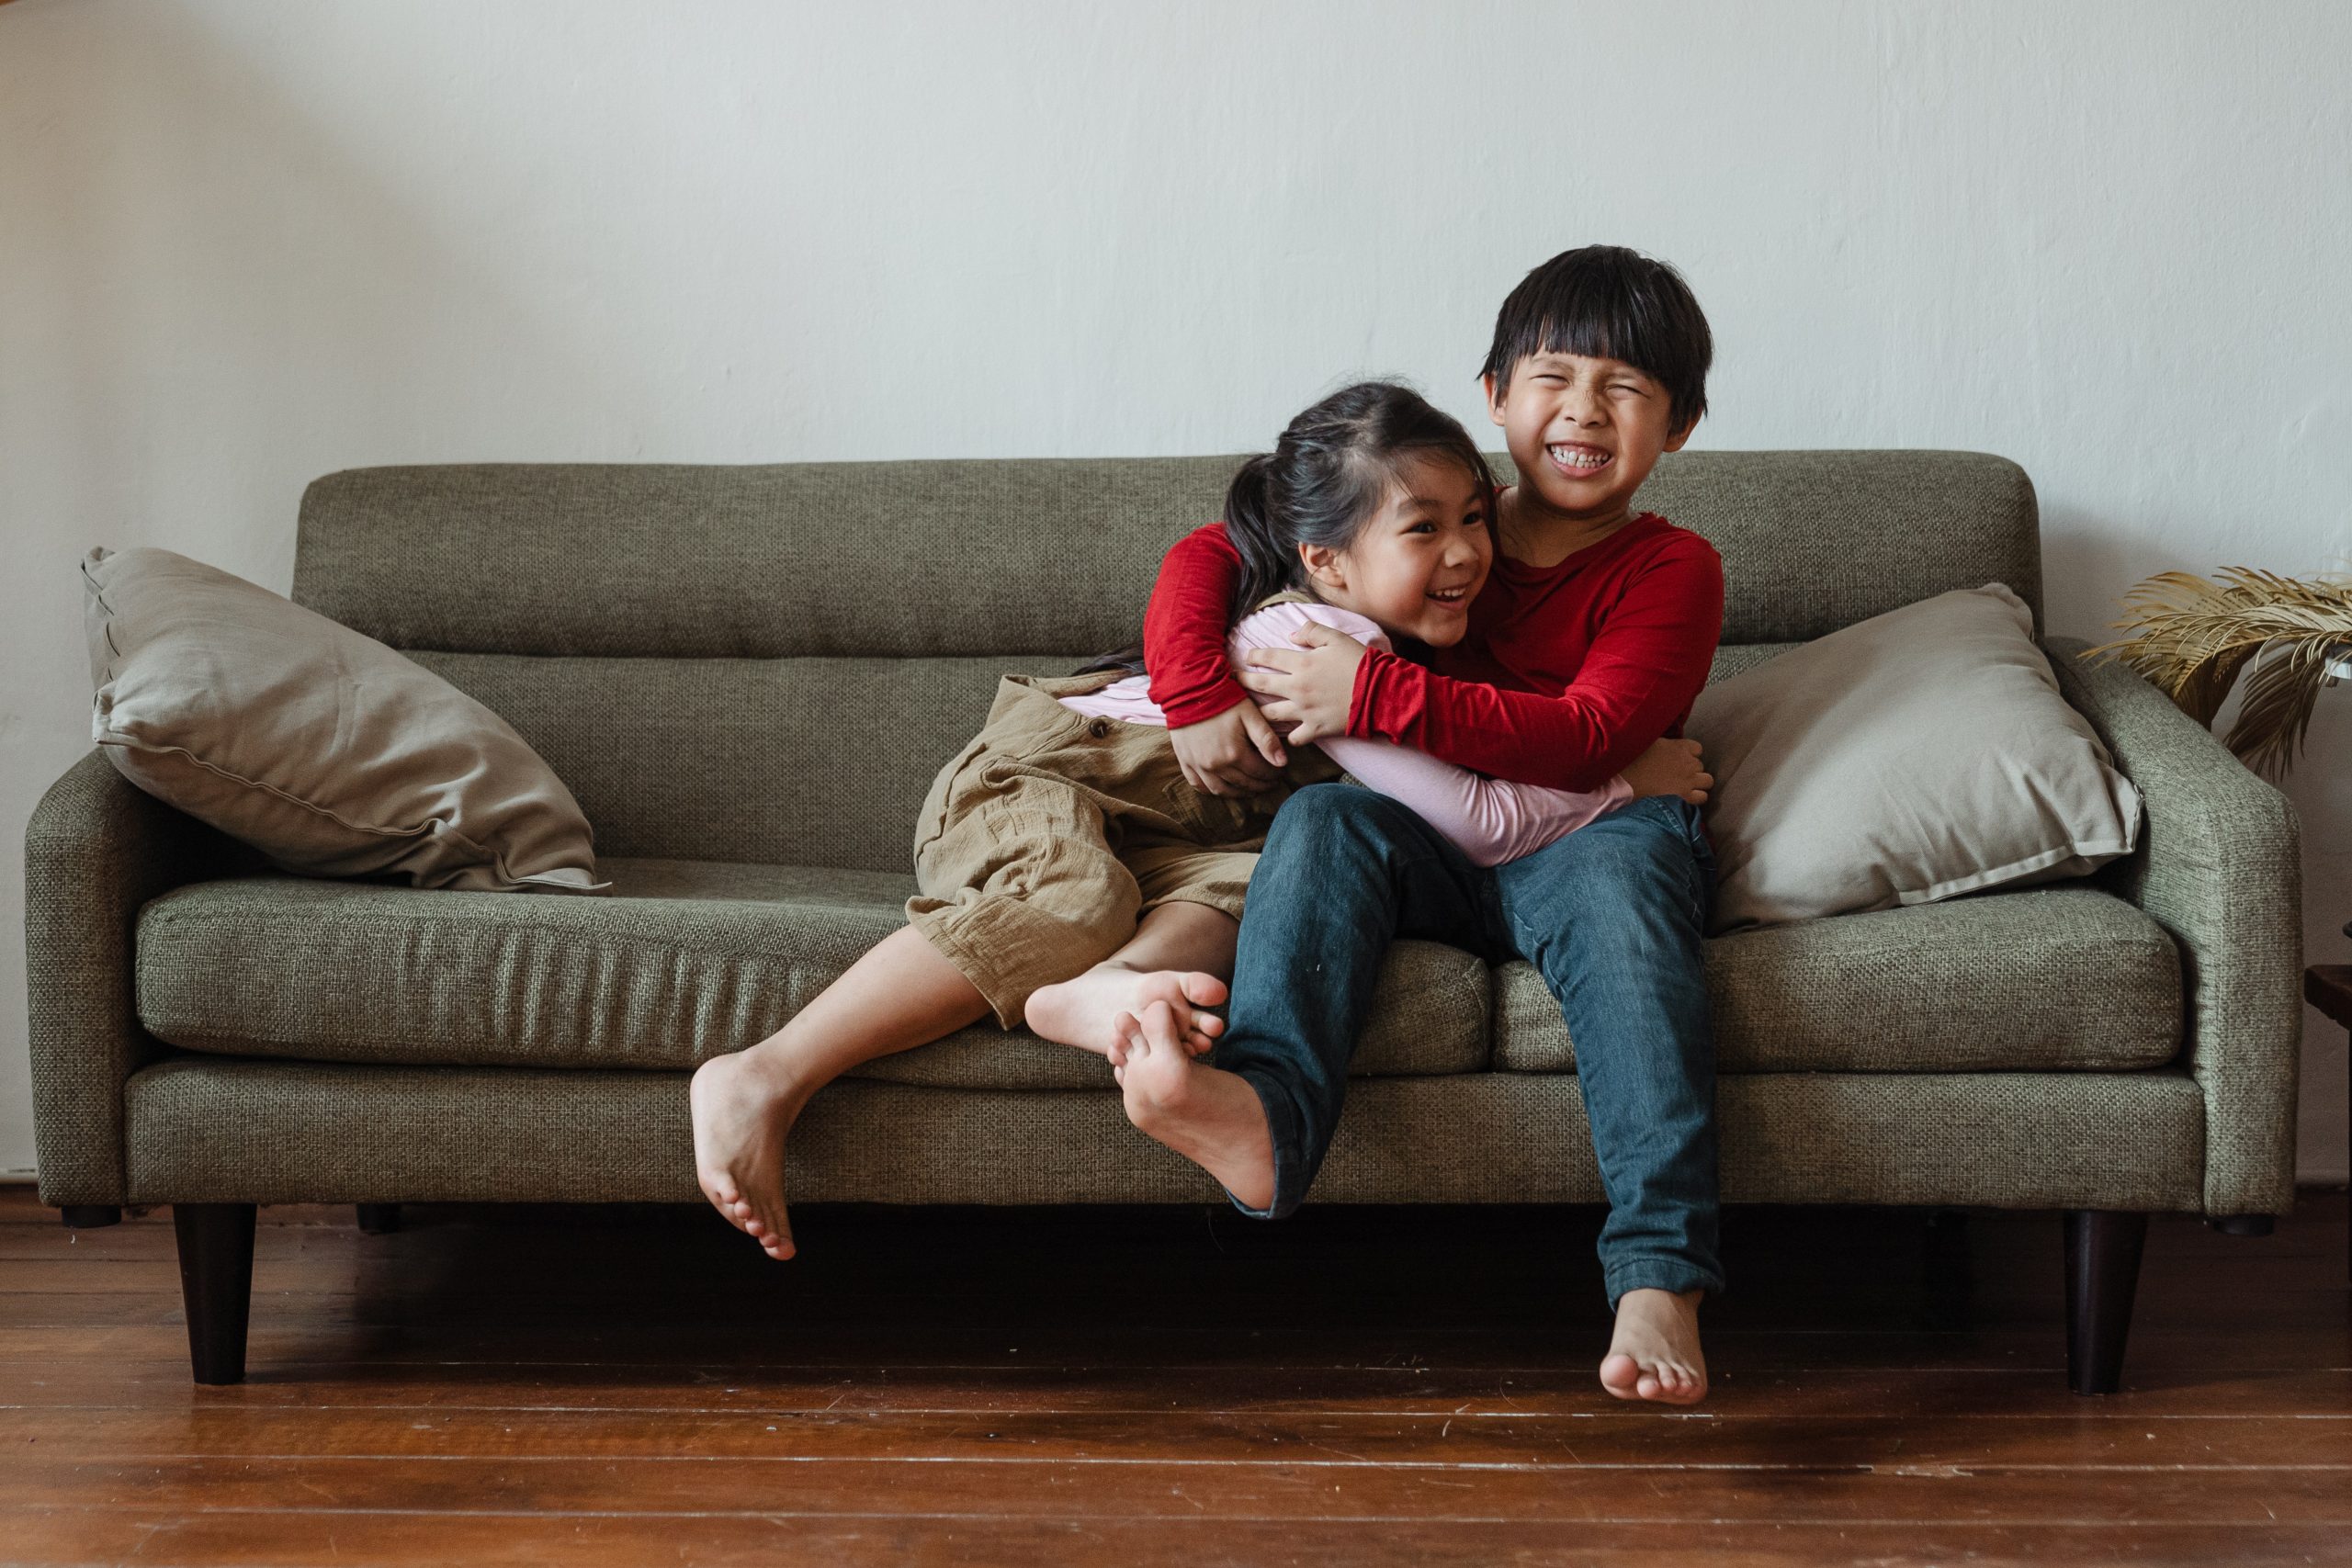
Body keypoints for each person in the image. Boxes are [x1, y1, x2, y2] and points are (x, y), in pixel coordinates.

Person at [689, 378, 1710, 1264]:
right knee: (1069, 897)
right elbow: (1478, 819)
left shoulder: (1408, 612)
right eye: (1425, 529)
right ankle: (764, 1072)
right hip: (1068, 767)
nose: (1465, 553)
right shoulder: (1315, 644)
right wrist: (1626, 779)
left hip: (1207, 827)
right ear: (1326, 556)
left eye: (1472, 519)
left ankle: (1105, 991)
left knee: (1248, 890)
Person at [1108, 245, 1727, 1406]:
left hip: (1589, 833)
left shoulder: (1671, 569)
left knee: (1629, 909)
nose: (1582, 412)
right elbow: (1210, 551)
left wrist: (1372, 695)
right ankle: (1263, 1120)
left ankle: (1659, 1272)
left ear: (1679, 427)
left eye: (1627, 389)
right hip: (1423, 839)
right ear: (1495, 395)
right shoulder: (1440, 521)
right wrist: (1198, 695)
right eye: (1553, 378)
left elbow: (1590, 733)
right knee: (1326, 824)